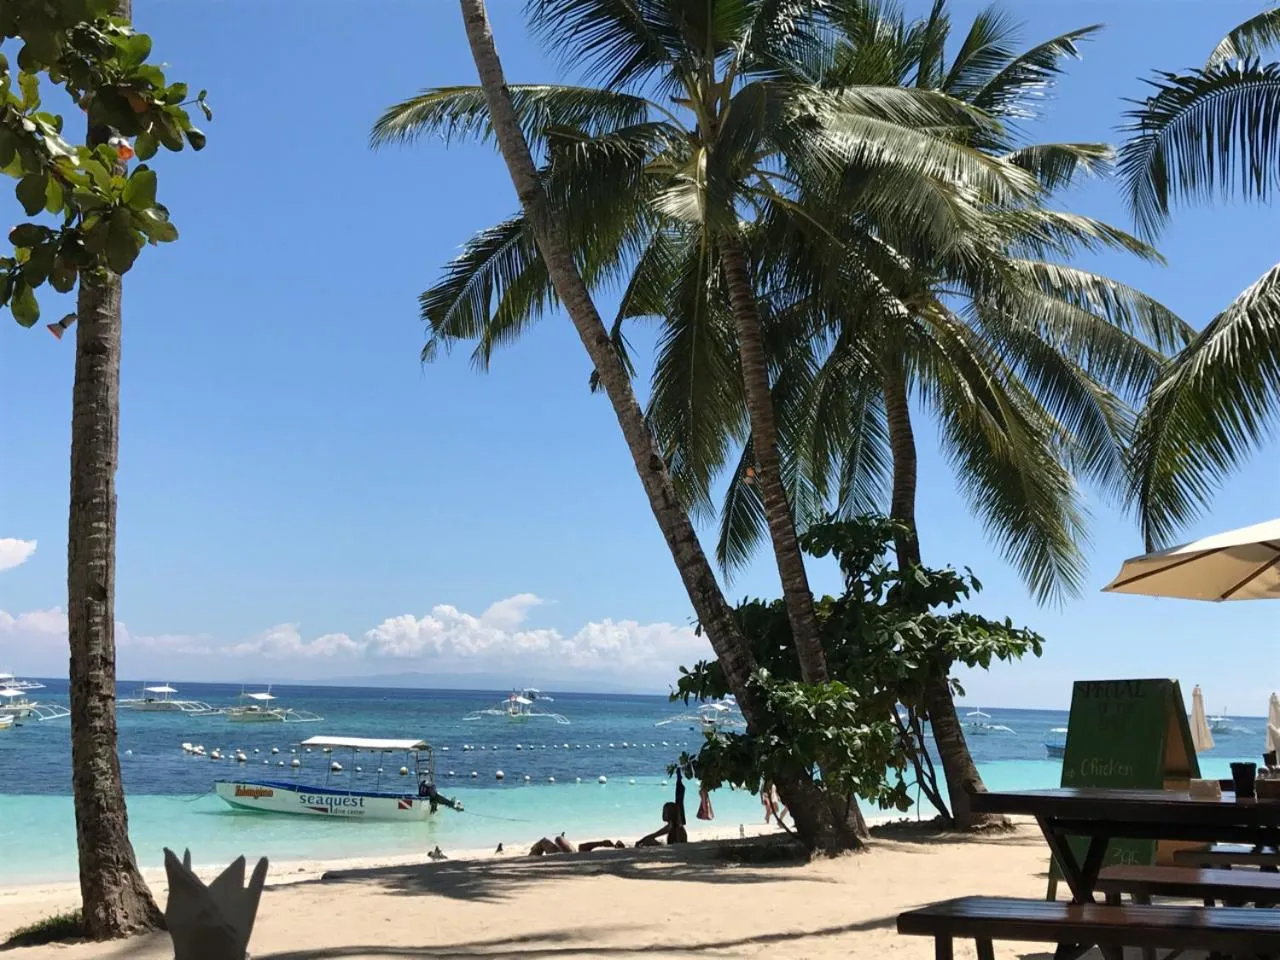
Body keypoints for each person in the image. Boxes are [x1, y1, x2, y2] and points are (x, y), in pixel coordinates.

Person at [527, 833, 625, 856]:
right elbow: (582, 848)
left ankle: (530, 860)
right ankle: (531, 858)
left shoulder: (607, 854)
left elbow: (582, 847)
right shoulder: (610, 855)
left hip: (567, 858)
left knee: (544, 841)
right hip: (575, 855)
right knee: (557, 839)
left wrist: (601, 843)